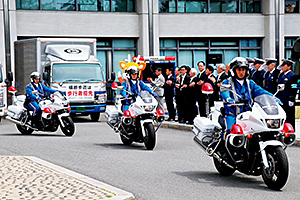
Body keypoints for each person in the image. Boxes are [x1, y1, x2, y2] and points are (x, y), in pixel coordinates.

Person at [220, 57, 278, 140]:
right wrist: (228, 99)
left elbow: (261, 91)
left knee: (259, 129)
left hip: (248, 113)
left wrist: (273, 97)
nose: (241, 72)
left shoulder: (250, 83)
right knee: (230, 129)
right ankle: (225, 150)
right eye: (239, 70)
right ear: (234, 70)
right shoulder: (228, 82)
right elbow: (224, 91)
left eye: (243, 70)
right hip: (232, 113)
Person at [277, 59, 298, 128]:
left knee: (289, 116)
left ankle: (290, 130)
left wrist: (291, 99)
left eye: (284, 65)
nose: (282, 67)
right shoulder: (281, 75)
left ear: (289, 67)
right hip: (281, 99)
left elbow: (294, 88)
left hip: (287, 99)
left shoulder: (292, 76)